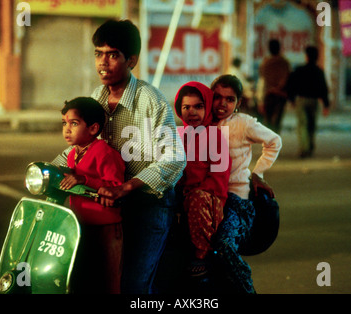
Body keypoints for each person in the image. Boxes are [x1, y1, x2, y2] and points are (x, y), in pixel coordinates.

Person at [52, 19, 186, 294]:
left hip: (149, 203)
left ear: (131, 60)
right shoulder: (95, 98)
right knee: (96, 280)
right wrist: (48, 169)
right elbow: (82, 145)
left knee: (133, 286)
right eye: (98, 54)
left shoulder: (152, 100)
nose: (103, 62)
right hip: (106, 205)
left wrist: (127, 186)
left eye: (113, 55)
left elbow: (174, 157)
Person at [210, 74, 282, 294]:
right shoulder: (203, 120)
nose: (222, 103)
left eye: (229, 99)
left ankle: (245, 288)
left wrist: (258, 173)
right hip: (208, 197)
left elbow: (274, 141)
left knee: (222, 246)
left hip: (235, 200)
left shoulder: (243, 123)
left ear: (238, 103)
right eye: (217, 97)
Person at [59, 97, 126, 294]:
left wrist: (84, 180)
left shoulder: (104, 152)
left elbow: (116, 187)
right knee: (84, 279)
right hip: (80, 225)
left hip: (105, 228)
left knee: (108, 281)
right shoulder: (73, 154)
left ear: (93, 128)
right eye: (64, 123)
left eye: (74, 123)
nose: (67, 129)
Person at [174, 81, 231, 277]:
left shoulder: (215, 137)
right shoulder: (177, 137)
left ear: (207, 108)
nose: (192, 112)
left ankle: (202, 255)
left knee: (196, 200)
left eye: (198, 106)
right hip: (182, 195)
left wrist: (193, 192)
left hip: (207, 198)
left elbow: (218, 179)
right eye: (186, 107)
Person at [287, 45, 330, 158]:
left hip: (302, 100)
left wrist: (291, 99)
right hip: (314, 101)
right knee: (311, 125)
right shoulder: (319, 71)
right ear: (317, 57)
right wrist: (326, 105)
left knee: (302, 125)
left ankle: (304, 149)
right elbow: (324, 89)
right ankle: (310, 147)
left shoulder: (299, 70)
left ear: (306, 57)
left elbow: (291, 84)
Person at [258, 39, 291, 133]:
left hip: (269, 94)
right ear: (279, 48)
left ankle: (270, 142)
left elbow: (262, 79)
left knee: (268, 120)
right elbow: (288, 78)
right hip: (281, 95)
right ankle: (276, 141)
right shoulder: (285, 62)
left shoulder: (265, 63)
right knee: (277, 120)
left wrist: (261, 99)